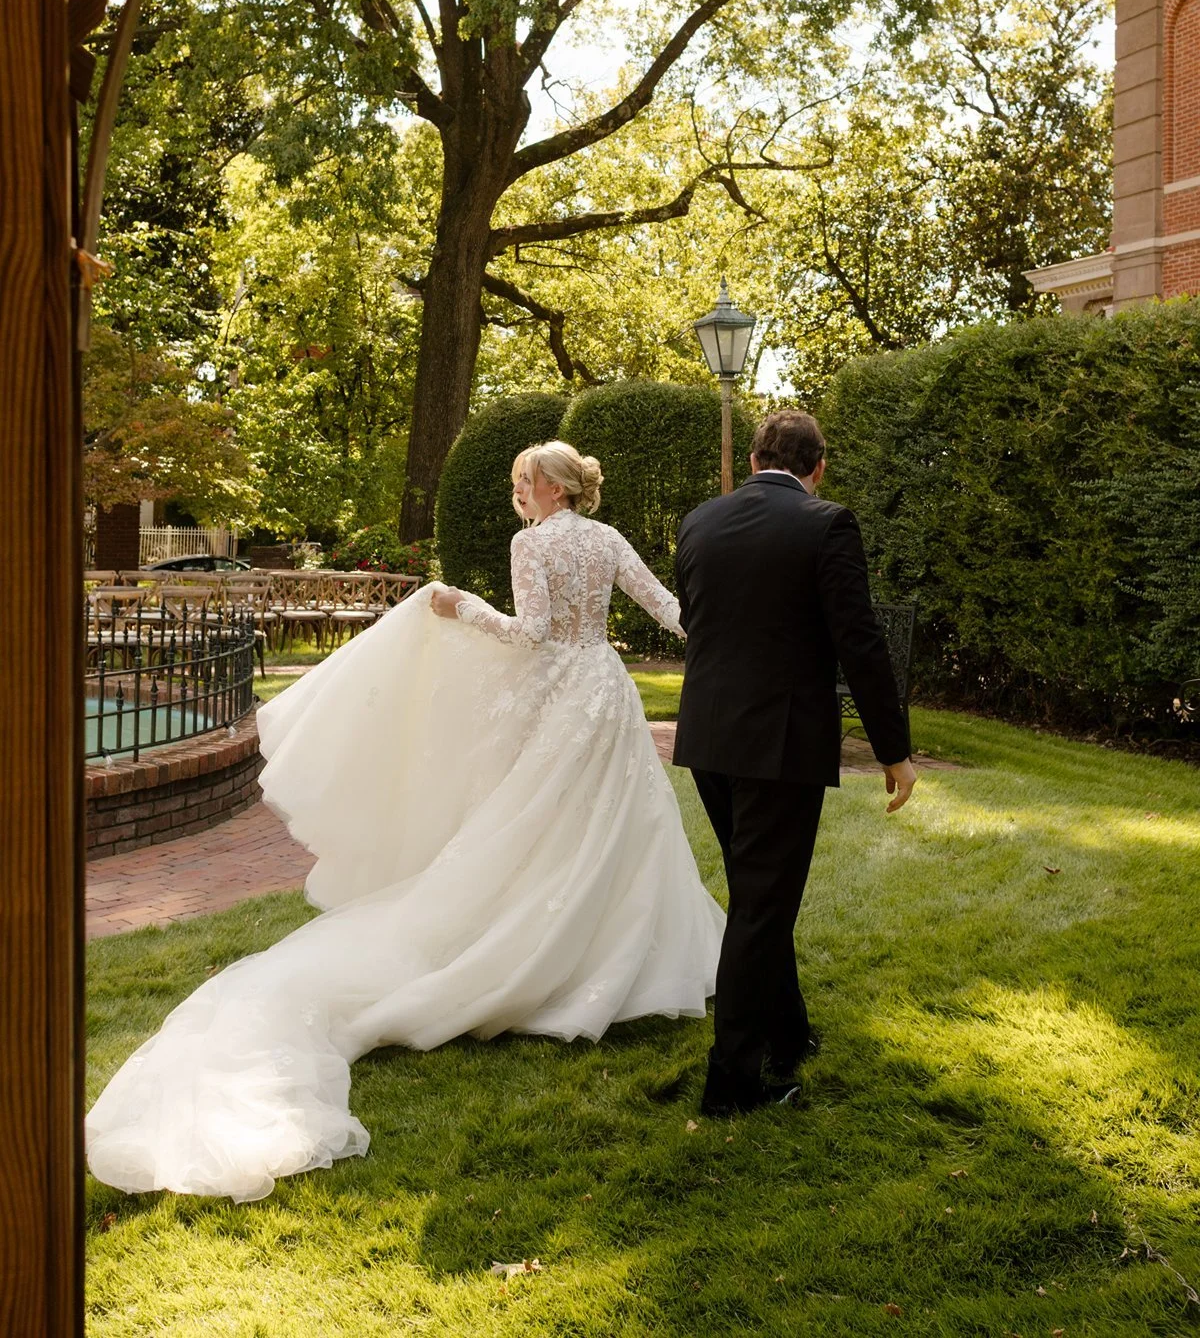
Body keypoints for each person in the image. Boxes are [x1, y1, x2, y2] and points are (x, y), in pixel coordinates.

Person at [86, 442, 724, 1202]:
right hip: (608, 691)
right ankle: (624, 955)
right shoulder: (609, 538)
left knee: (543, 826)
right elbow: (666, 605)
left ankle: (553, 956)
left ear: (549, 488)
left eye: (522, 482)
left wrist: (461, 607)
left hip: (562, 698)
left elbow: (530, 633)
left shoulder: (534, 543)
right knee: (619, 820)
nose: (516, 493)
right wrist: (727, 644)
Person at [674, 408, 917, 1116]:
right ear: (820, 466)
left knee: (758, 898)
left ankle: (791, 1030)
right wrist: (892, 750)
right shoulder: (827, 524)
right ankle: (733, 1083)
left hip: (708, 740)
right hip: (778, 744)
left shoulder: (699, 522)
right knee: (762, 906)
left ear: (754, 461)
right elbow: (859, 642)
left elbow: (697, 621)